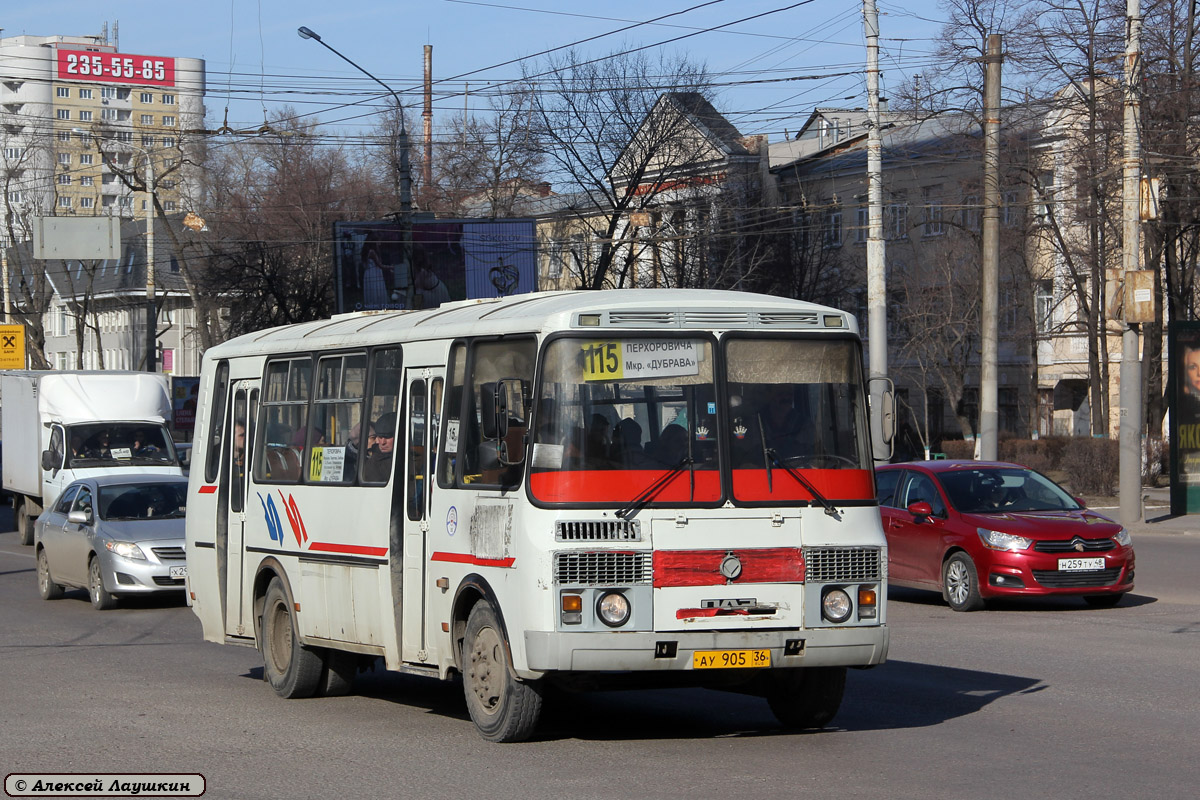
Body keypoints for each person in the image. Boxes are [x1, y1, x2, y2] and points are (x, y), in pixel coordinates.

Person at [364, 412, 396, 483]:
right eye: (380, 437)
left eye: (387, 437)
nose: (382, 442)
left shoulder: (414, 458)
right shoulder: (373, 464)